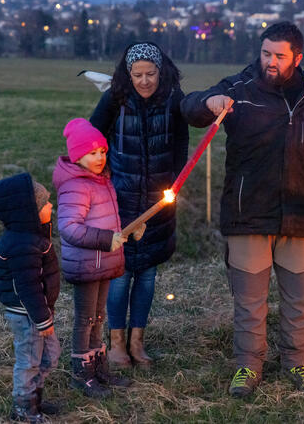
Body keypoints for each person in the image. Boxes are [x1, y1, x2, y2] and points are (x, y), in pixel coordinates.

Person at [181, 22, 304, 397]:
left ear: (298, 57)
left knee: (299, 301)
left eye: (279, 55)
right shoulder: (239, 89)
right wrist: (207, 103)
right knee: (249, 301)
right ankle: (248, 366)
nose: (270, 61)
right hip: (249, 216)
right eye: (265, 53)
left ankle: (297, 363)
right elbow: (190, 106)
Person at [89, 42, 189, 368]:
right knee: (120, 276)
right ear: (127, 75)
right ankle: (116, 343)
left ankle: (137, 342)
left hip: (158, 206)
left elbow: (180, 146)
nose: (145, 81)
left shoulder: (174, 100)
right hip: (120, 205)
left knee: (147, 275)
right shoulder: (115, 100)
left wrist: (173, 184)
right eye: (138, 74)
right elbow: (92, 140)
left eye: (151, 74)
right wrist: (103, 181)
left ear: (162, 72)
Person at [53, 118, 144, 398]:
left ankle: (98, 368)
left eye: (103, 152)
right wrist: (107, 240)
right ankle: (81, 374)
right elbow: (69, 228)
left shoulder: (102, 182)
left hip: (104, 262)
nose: (99, 158)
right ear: (78, 155)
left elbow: (107, 219)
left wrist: (130, 228)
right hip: (86, 264)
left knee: (99, 317)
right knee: (85, 319)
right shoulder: (75, 186)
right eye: (92, 153)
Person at [0, 173, 61, 422]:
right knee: (29, 360)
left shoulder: (33, 238)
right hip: (28, 314)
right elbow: (27, 287)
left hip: (39, 312)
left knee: (50, 356)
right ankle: (23, 407)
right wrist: (42, 319)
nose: (51, 206)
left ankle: (34, 399)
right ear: (29, 213)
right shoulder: (21, 245)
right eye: (45, 204)